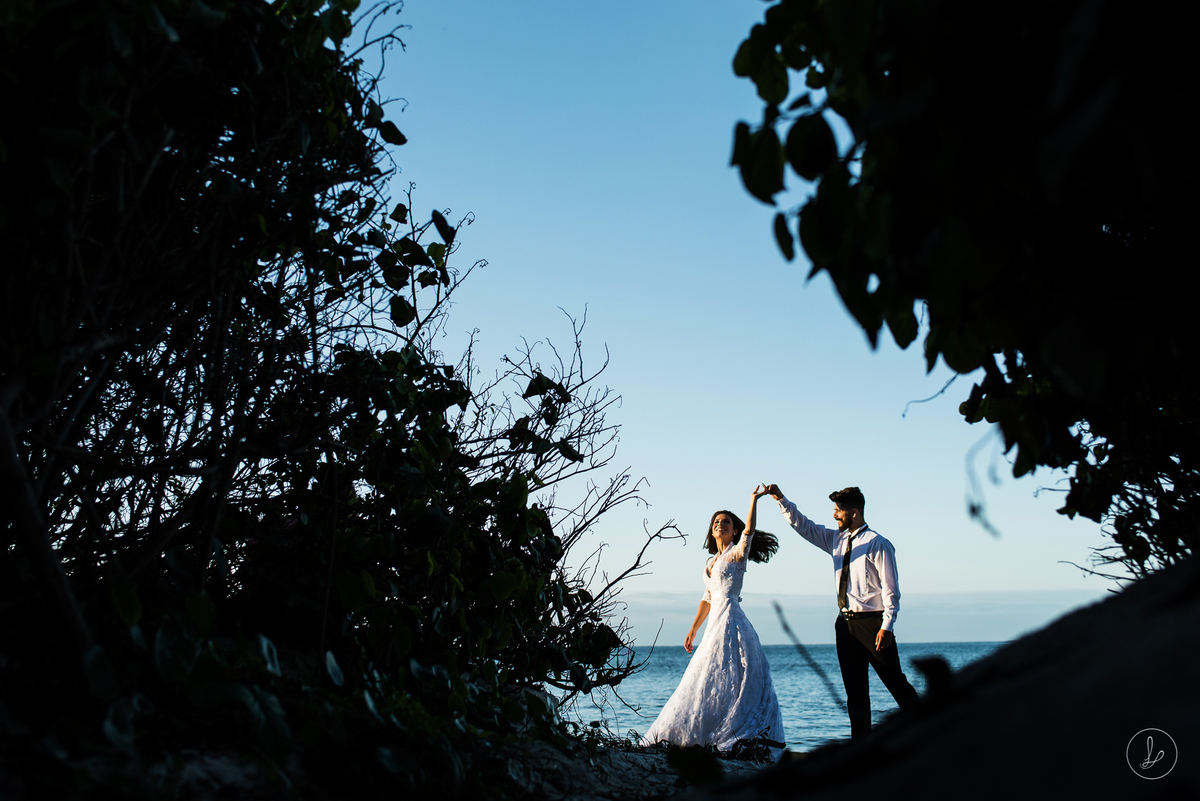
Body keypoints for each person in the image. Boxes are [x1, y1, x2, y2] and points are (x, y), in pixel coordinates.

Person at [763, 484, 919, 739]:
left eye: (838, 511)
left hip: (873, 624)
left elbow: (891, 590)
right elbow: (804, 526)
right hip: (844, 626)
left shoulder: (878, 544)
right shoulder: (836, 539)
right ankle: (861, 751)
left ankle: (933, 729)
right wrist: (781, 499)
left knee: (896, 684)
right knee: (855, 694)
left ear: (854, 512)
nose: (834, 515)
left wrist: (887, 626)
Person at [641, 485, 785, 758]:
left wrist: (753, 500)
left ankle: (733, 732)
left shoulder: (736, 554)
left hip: (732, 621)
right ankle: (704, 731)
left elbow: (750, 531)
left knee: (733, 675)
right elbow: (706, 598)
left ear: (733, 530)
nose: (720, 525)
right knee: (708, 677)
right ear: (712, 530)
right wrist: (693, 629)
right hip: (713, 624)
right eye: (716, 522)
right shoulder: (709, 562)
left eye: (726, 522)